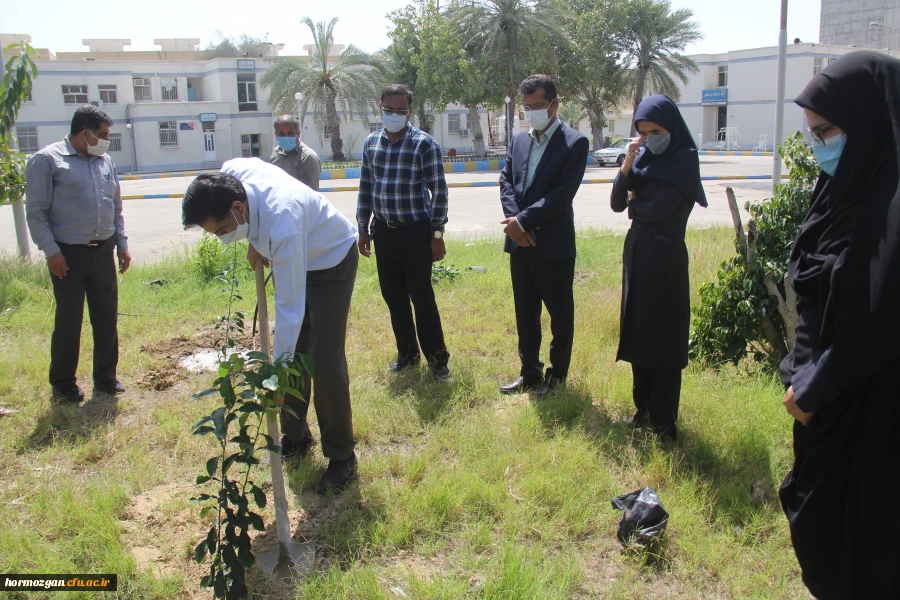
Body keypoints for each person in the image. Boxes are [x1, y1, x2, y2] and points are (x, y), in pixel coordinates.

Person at [778, 51, 900, 599]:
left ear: (869, 122)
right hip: (818, 403)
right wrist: (800, 374)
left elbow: (884, 315)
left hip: (873, 406)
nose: (818, 146)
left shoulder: (891, 203)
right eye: (812, 133)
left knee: (869, 544)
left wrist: (820, 382)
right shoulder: (839, 189)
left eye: (826, 132)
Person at [181, 158, 359, 495]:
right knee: (295, 353)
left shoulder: (283, 225)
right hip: (293, 253)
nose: (221, 238)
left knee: (320, 357)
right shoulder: (234, 173)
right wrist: (253, 241)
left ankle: (341, 456)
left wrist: (275, 374)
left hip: (329, 260)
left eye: (222, 231)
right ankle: (296, 437)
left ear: (237, 209)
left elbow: (290, 311)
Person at [610, 95, 707, 442]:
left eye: (656, 130)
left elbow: (659, 210)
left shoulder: (683, 160)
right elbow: (617, 204)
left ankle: (665, 423)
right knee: (639, 334)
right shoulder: (641, 158)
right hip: (637, 258)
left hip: (665, 263)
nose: (650, 137)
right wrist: (626, 168)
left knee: (663, 339)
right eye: (643, 132)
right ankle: (643, 411)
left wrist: (638, 204)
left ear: (672, 127)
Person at [25, 105, 131, 403]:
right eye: (104, 135)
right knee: (70, 320)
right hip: (67, 256)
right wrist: (51, 252)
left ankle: (106, 377)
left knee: (106, 316)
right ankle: (63, 383)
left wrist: (121, 244)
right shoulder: (46, 161)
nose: (107, 141)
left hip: (103, 252)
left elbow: (116, 207)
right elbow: (36, 214)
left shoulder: (104, 160)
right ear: (85, 134)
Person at [498, 74, 589, 396]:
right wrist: (516, 225)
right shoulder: (519, 140)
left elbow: (561, 195)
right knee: (526, 315)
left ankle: (557, 377)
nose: (532, 111)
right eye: (527, 107)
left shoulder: (575, 143)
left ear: (554, 104)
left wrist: (522, 222)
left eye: (538, 105)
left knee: (560, 316)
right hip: (520, 244)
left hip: (553, 244)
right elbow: (506, 181)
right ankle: (530, 373)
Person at [356, 84, 451, 381]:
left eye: (400, 111)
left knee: (422, 298)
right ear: (380, 107)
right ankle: (407, 355)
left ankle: (437, 361)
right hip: (384, 232)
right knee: (393, 297)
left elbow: (440, 191)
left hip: (416, 234)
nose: (394, 115)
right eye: (388, 110)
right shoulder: (372, 143)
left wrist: (436, 235)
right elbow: (366, 188)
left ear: (409, 111)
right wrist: (363, 228)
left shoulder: (424, 144)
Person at [269, 114, 321, 191]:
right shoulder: (275, 153)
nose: (286, 137)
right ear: (276, 134)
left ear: (298, 134)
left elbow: (311, 194)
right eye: (281, 134)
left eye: (290, 133)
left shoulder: (308, 157)